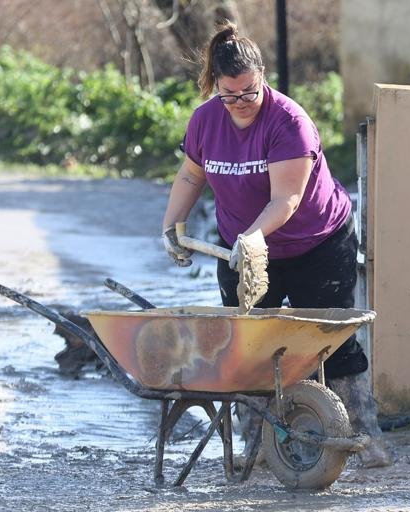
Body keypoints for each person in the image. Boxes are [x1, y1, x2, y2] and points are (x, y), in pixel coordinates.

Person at [160, 22, 392, 468]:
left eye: (249, 92)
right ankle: (259, 448)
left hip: (316, 243)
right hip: (239, 251)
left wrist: (251, 237)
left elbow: (286, 198)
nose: (240, 103)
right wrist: (173, 224)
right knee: (248, 347)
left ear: (263, 78)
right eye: (229, 95)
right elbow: (192, 175)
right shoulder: (206, 120)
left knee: (332, 341)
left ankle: (366, 438)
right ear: (215, 88)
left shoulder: (289, 122)